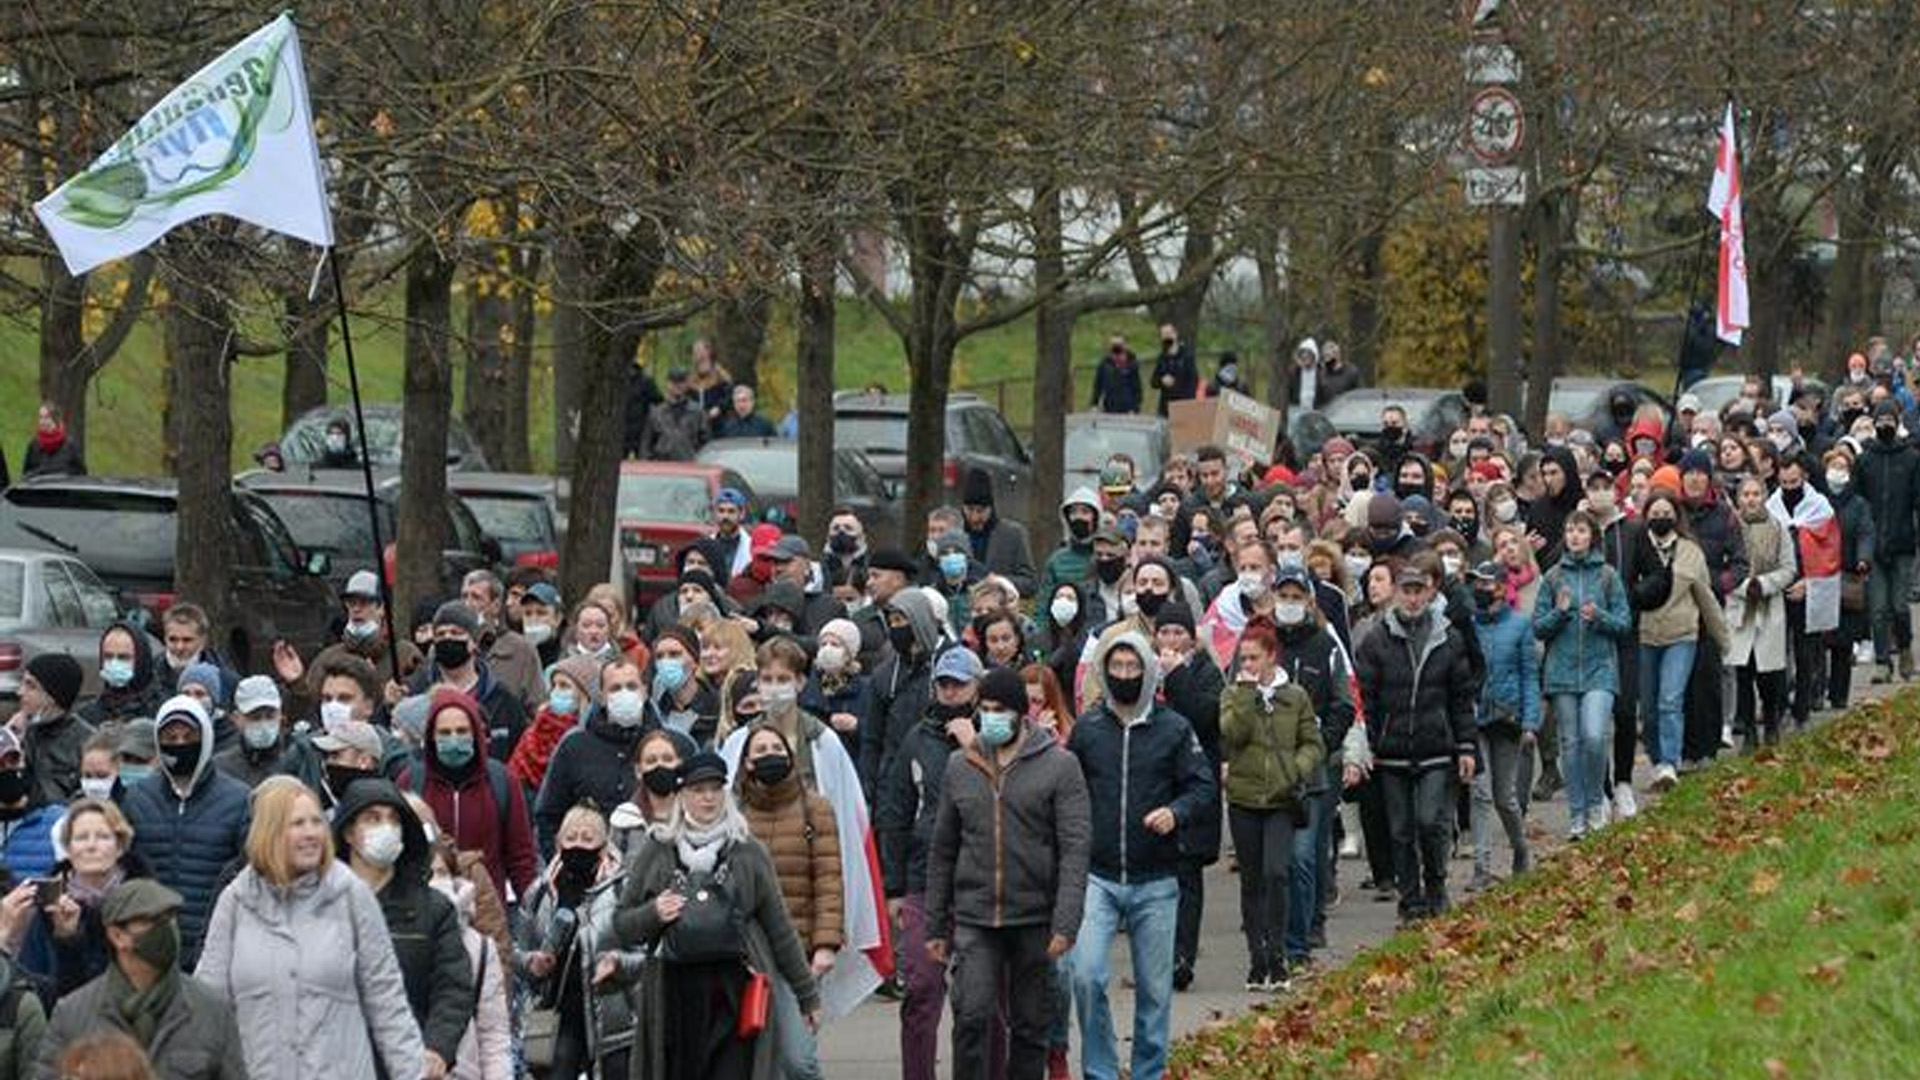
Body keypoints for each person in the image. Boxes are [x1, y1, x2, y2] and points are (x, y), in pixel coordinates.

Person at [196, 776, 423, 1080]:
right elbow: (206, 1006)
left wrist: (412, 1073)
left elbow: (387, 1000)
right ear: (269, 832)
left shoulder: (350, 894)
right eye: (298, 823)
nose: (311, 833)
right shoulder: (236, 901)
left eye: (317, 822)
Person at [611, 750, 819, 1080]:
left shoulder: (748, 850)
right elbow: (622, 924)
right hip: (674, 994)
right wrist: (653, 913)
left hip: (736, 989)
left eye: (714, 788)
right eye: (697, 790)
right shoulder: (658, 849)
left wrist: (807, 995)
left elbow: (779, 927)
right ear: (681, 795)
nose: (708, 798)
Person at [925, 665, 1089, 1080]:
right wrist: (935, 925)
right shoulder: (961, 767)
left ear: (1021, 713)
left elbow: (1074, 847)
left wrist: (1066, 921)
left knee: (1032, 1025)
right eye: (985, 708)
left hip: (1035, 915)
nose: (991, 716)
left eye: (1000, 709)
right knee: (972, 1014)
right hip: (976, 916)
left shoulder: (1059, 766)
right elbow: (943, 849)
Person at [1065, 632, 1216, 1080]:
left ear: (1148, 671)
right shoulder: (1089, 730)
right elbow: (1066, 790)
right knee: (1086, 975)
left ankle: (1149, 1071)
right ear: (1105, 671)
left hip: (1157, 878)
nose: (1126, 675)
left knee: (1155, 990)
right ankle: (1101, 1070)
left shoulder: (1174, 728)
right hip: (1098, 875)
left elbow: (1203, 786)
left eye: (1134, 668)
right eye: (1118, 667)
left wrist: (1176, 812)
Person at [1353, 557, 1477, 922]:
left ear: (1429, 593)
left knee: (1429, 821)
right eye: (1405, 591)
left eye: (1417, 591)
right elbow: (1367, 697)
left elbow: (1461, 698)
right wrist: (1369, 743)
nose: (1411, 599)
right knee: (1401, 829)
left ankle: (1436, 884)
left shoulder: (1448, 638)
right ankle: (1410, 897)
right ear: (1395, 594)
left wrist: (1466, 745)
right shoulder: (1377, 640)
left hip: (1436, 746)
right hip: (1391, 751)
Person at [332, 779, 472, 1080]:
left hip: (408, 1063)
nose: (386, 827)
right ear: (348, 833)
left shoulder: (433, 909)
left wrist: (437, 1048)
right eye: (372, 818)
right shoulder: (321, 906)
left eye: (394, 819)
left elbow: (453, 987)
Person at [36, 880, 245, 1080]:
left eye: (171, 918)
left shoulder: (211, 1010)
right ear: (117, 936)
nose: (168, 929)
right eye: (152, 921)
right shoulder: (73, 1014)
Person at [1219, 620, 1324, 991]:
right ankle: (1256, 958)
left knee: (1277, 872)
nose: (1247, 664)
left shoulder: (1294, 696)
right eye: (1243, 658)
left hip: (1280, 799)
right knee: (1252, 880)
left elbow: (1313, 742)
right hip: (1244, 798)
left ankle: (1278, 952)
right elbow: (1234, 734)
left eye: (1254, 658)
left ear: (1271, 657)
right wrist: (1247, 694)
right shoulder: (1233, 694)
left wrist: (1297, 769)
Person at [735, 727, 839, 1080]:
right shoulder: (734, 815)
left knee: (798, 1060)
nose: (769, 754)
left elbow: (828, 878)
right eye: (760, 749)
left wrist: (826, 945)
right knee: (762, 1061)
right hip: (749, 956)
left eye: (776, 747)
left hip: (801, 953)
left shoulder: (815, 808)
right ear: (747, 762)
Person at [120, 697, 249, 970]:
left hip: (215, 946)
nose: (179, 744)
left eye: (189, 736)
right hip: (150, 948)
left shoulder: (238, 799)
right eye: (170, 737)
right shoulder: (137, 798)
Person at [517, 805, 636, 1080]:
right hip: (552, 1016)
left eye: (588, 838)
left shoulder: (624, 890)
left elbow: (646, 956)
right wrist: (532, 963)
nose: (579, 845)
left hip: (613, 1020)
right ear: (558, 843)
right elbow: (516, 954)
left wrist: (617, 964)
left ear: (604, 846)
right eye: (572, 838)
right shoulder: (539, 893)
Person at [1533, 510, 1631, 841]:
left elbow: (1624, 623)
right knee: (1570, 744)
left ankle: (1595, 803)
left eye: (1581, 530)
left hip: (1599, 669)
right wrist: (1560, 613)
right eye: (1570, 530)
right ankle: (1576, 814)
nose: (1575, 536)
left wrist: (1599, 616)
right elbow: (1538, 627)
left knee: (1594, 736)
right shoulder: (1552, 577)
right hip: (1561, 671)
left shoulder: (1607, 575)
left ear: (1592, 536)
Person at [1631, 490, 1730, 791]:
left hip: (1681, 636)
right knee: (1648, 707)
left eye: (1666, 513)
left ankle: (1669, 764)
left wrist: (1722, 639)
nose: (1661, 518)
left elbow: (1706, 598)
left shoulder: (1691, 552)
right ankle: (1657, 755)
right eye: (1655, 513)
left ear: (1676, 516)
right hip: (1646, 636)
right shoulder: (1636, 548)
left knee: (1670, 700)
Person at [400, 688, 538, 903]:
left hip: (488, 908)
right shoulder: (411, 782)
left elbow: (521, 856)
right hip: (428, 909)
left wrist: (532, 906)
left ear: (476, 733)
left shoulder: (501, 781)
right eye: (444, 733)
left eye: (462, 731)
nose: (454, 739)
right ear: (431, 737)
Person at [1150, 600, 1223, 991]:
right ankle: (1157, 958)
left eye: (1179, 633)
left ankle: (1182, 958)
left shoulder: (1208, 674)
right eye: (1165, 632)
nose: (1171, 640)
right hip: (1155, 788)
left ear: (1191, 638)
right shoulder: (1145, 673)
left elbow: (1206, 718)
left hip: (1194, 786)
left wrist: (1177, 676)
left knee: (1187, 879)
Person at [14, 798, 148, 1000]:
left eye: (103, 837)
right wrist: (67, 940)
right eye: (81, 838)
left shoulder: (144, 905)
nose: (91, 846)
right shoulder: (49, 906)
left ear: (120, 846)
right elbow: (30, 984)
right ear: (68, 849)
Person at [1466, 562, 1538, 891]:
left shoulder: (1521, 625)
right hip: (1476, 716)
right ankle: (1481, 867)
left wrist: (1530, 721)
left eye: (1485, 584)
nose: (1479, 590)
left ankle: (1521, 850)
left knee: (1503, 797)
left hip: (1508, 717)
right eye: (1475, 584)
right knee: (1479, 792)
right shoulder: (1468, 626)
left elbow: (1529, 675)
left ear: (1500, 588)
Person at [271, 571, 424, 721]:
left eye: (364, 602)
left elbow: (419, 711)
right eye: (351, 603)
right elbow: (308, 716)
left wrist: (392, 700)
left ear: (381, 608)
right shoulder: (327, 658)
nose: (356, 609)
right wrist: (298, 683)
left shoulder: (406, 655)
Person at [534, 658, 648, 854]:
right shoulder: (574, 745)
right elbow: (548, 815)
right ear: (602, 696)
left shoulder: (668, 743)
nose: (624, 694)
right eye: (615, 688)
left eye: (631, 686)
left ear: (645, 691)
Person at [424, 844, 512, 1080]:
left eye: (442, 872)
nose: (435, 882)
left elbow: (493, 1034)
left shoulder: (480, 948)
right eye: (427, 874)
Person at [409, 602, 529, 765]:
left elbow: (520, 757)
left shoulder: (503, 700)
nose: (447, 638)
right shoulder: (417, 693)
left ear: (473, 642)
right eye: (440, 634)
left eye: (455, 632)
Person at [1728, 476, 1797, 749]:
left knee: (1769, 674)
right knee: (1743, 672)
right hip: (1740, 606)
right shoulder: (1730, 529)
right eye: (1745, 494)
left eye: (1756, 494)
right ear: (1738, 498)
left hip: (1769, 607)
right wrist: (1745, 586)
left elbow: (1789, 567)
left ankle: (1770, 724)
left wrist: (1765, 584)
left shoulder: (1778, 528)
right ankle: (1748, 732)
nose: (1751, 499)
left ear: (1765, 496)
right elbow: (1724, 568)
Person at [1855, 402, 1918, 683]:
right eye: (1879, 420)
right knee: (1878, 608)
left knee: (1900, 605)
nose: (1884, 425)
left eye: (1889, 420)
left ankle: (1904, 649)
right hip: (1874, 545)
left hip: (1903, 542)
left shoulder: (1912, 458)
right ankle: (1883, 661)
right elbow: (1859, 501)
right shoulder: (1865, 459)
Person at [509, 655, 601, 802]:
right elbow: (512, 783)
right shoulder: (534, 731)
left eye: (564, 686)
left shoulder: (592, 737)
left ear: (584, 693)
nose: (555, 692)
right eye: (554, 685)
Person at [462, 570, 544, 714]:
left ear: (496, 605)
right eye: (464, 596)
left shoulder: (522, 650)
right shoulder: (445, 645)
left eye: (476, 598)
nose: (467, 604)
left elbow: (537, 709)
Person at [16, 654, 91, 805]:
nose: (20, 692)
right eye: (22, 683)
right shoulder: (27, 733)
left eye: (31, 686)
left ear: (52, 696)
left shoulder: (86, 741)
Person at [960, 469, 1038, 597]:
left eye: (980, 511)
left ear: (991, 508)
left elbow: (1030, 583)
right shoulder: (955, 534)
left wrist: (998, 582)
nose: (974, 518)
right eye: (970, 510)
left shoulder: (1013, 534)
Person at [77, 622, 167, 732]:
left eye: (123, 658)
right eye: (108, 657)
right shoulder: (86, 716)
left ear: (141, 661)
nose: (114, 663)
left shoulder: (163, 712)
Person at [212, 676, 288, 789]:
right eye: (255, 717)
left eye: (270, 715)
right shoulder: (220, 768)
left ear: (280, 714)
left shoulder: (294, 762)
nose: (264, 724)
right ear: (237, 719)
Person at [643, 368, 708, 461]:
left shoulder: (698, 412)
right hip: (663, 467)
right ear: (667, 384)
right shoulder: (656, 413)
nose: (677, 386)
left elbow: (706, 443)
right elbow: (646, 446)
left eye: (681, 382)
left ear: (686, 384)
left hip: (690, 466)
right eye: (674, 382)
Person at [22, 403, 85, 478]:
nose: (42, 422)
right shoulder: (34, 446)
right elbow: (26, 475)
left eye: (46, 417)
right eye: (41, 417)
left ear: (55, 420)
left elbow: (81, 474)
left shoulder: (70, 446)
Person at [1150, 324, 1198, 416]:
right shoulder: (1162, 358)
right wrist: (1162, 380)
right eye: (1163, 335)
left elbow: (1193, 381)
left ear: (1175, 334)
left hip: (1182, 407)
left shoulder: (1186, 356)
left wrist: (1187, 403)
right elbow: (1153, 382)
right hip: (1164, 408)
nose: (1167, 337)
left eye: (1168, 334)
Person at [1090, 335, 1142, 414]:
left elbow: (1137, 388)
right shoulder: (1104, 364)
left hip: (1128, 411)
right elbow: (1097, 386)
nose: (1116, 348)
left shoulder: (1132, 363)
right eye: (1114, 345)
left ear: (1124, 345)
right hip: (1109, 409)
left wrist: (1135, 408)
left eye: (1119, 345)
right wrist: (1094, 404)